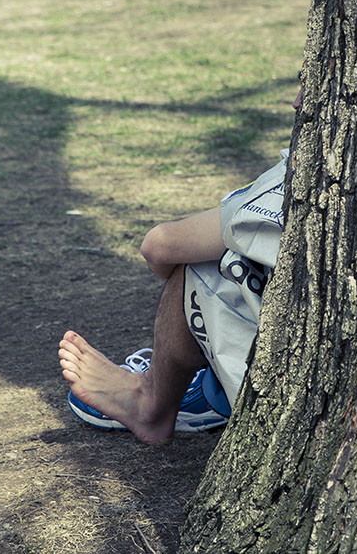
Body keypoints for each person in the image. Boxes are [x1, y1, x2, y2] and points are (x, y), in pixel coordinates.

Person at [57, 87, 301, 445]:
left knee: (199, 262)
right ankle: (210, 385)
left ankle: (151, 403)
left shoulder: (308, 172)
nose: (296, 100)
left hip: (290, 376)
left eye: (308, 83)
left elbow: (159, 246)